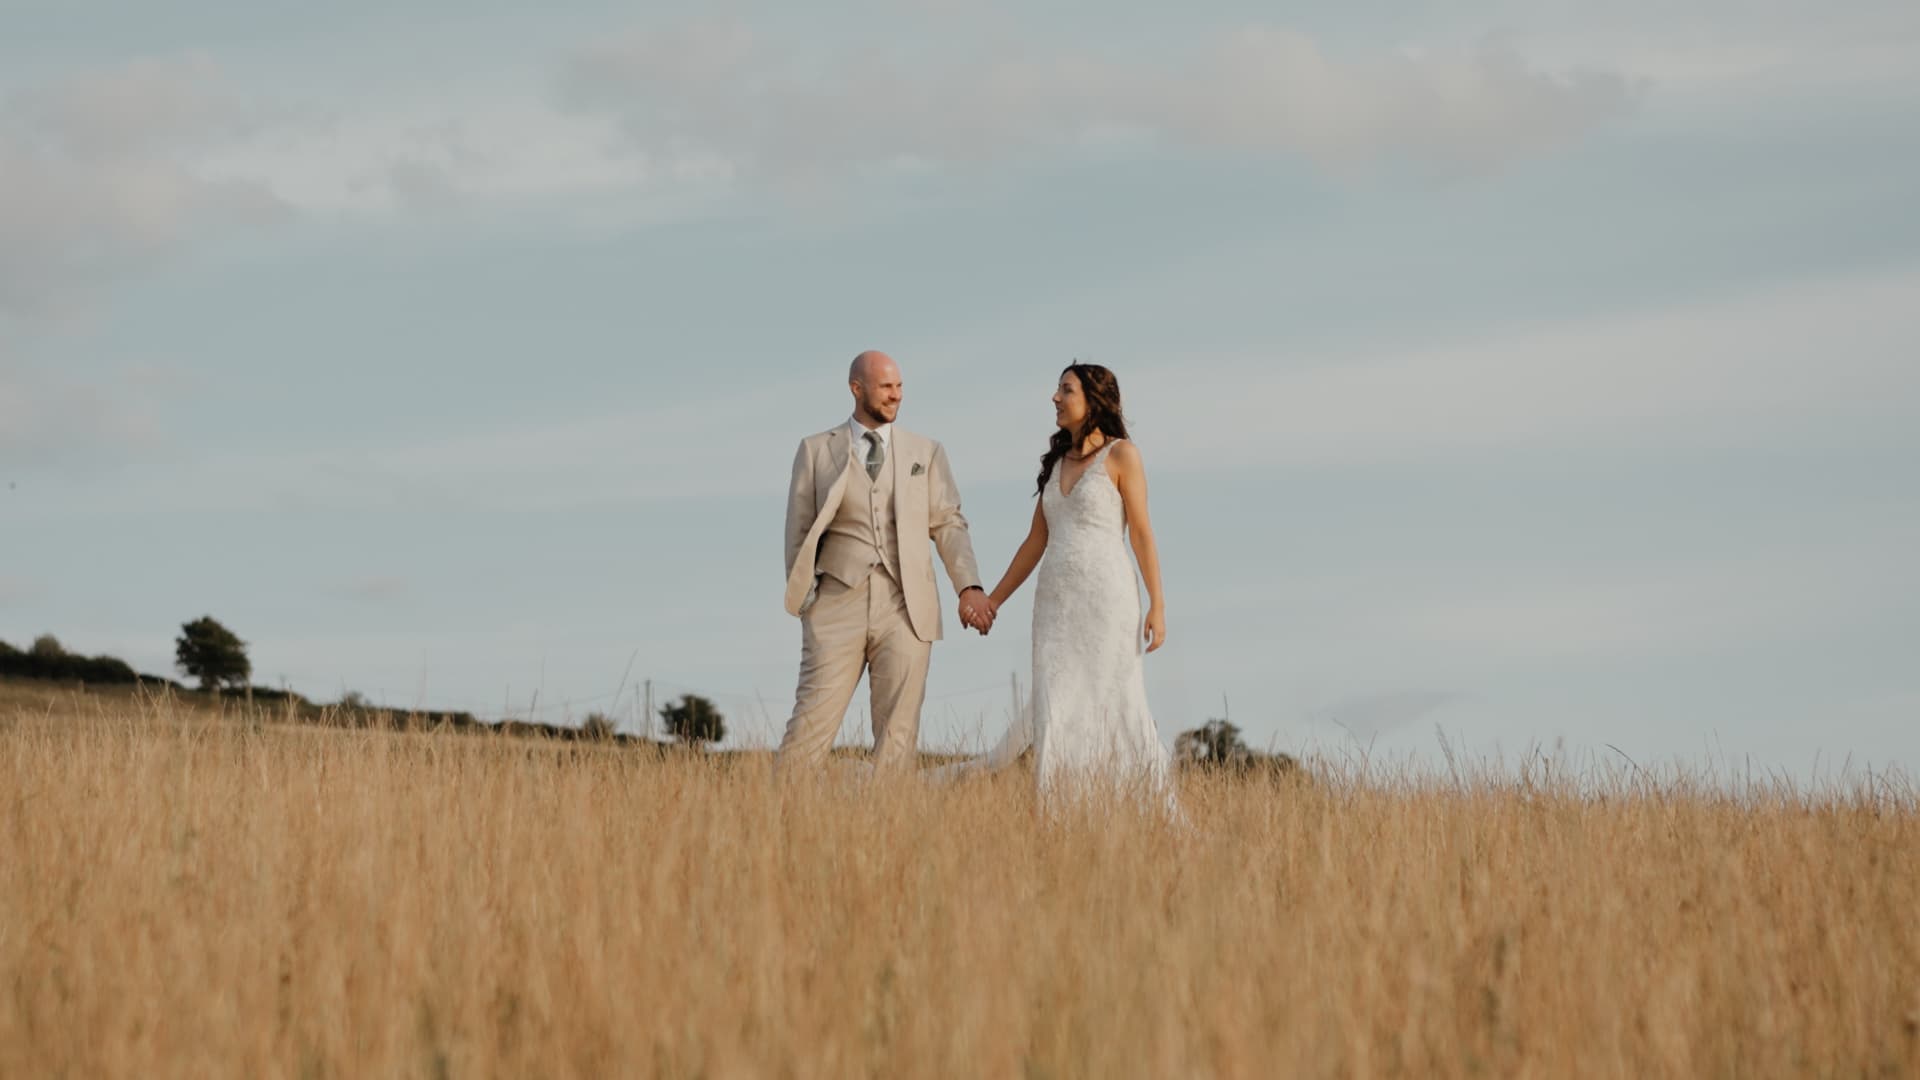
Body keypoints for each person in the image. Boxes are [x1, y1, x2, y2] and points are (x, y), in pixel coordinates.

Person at [942, 363, 1176, 808]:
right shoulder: (1055, 465)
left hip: (1107, 597)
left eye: (1065, 390)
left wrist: (1157, 604)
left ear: (1093, 399)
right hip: (1053, 603)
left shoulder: (1123, 455)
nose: (1055, 397)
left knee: (1113, 697)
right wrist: (992, 599)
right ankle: (1057, 810)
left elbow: (1142, 533)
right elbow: (1035, 542)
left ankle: (1127, 804)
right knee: (1056, 701)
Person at [777, 350, 995, 773]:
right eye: (886, 387)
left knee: (898, 736)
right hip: (836, 602)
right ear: (856, 389)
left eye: (899, 387)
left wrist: (968, 586)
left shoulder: (926, 452)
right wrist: (807, 601)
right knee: (808, 728)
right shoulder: (816, 450)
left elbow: (949, 523)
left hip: (907, 607)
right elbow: (798, 531)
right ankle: (776, 826)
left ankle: (888, 833)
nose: (896, 396)